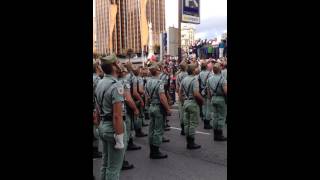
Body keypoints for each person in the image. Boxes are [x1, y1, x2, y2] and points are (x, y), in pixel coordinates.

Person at [95, 54, 127, 180]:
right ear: (113, 66)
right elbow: (117, 116)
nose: (120, 64)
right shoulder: (116, 85)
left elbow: (97, 109)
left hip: (103, 125)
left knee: (105, 164)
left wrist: (98, 126)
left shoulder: (100, 82)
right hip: (113, 128)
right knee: (114, 168)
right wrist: (119, 137)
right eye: (117, 62)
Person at [145, 61, 171, 159]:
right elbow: (162, 97)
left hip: (151, 106)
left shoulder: (148, 82)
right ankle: (155, 151)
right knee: (158, 130)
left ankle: (152, 149)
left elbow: (147, 96)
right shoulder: (159, 82)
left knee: (151, 129)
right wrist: (168, 109)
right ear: (157, 71)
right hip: (158, 108)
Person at [117, 64, 140, 170]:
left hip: (108, 115)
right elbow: (128, 98)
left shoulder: (103, 81)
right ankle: (121, 161)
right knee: (123, 138)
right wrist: (135, 109)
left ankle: (118, 160)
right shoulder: (123, 82)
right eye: (124, 71)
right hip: (122, 112)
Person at [179, 64, 204, 149]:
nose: (197, 69)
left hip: (186, 102)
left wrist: (183, 101)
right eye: (195, 68)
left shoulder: (184, 79)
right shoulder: (194, 80)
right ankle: (191, 142)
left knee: (187, 123)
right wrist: (202, 100)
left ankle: (188, 141)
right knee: (192, 123)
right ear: (193, 71)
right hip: (192, 102)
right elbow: (196, 94)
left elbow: (180, 92)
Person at [207, 63, 227, 141]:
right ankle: (219, 134)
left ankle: (215, 134)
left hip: (213, 98)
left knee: (215, 116)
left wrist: (210, 98)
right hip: (221, 99)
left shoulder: (209, 79)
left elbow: (208, 93)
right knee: (221, 117)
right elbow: (226, 91)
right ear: (220, 70)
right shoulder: (222, 79)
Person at [131, 65, 148, 137]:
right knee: (139, 115)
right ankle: (138, 131)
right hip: (138, 98)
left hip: (132, 99)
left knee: (135, 116)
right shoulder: (139, 79)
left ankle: (136, 130)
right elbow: (140, 90)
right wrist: (145, 94)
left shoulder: (131, 78)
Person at [198, 61, 214, 129]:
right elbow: (210, 83)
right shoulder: (209, 74)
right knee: (208, 107)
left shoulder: (200, 73)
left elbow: (198, 81)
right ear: (206, 67)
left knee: (204, 106)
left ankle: (204, 119)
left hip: (202, 91)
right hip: (207, 91)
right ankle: (207, 122)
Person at [93, 59, 103, 159]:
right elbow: (98, 96)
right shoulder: (97, 79)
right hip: (94, 107)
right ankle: (95, 150)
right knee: (95, 130)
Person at [176, 60, 188, 135]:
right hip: (187, 96)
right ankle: (186, 128)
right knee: (187, 113)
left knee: (181, 112)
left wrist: (179, 94)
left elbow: (177, 88)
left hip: (180, 95)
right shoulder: (187, 75)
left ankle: (182, 128)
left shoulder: (178, 75)